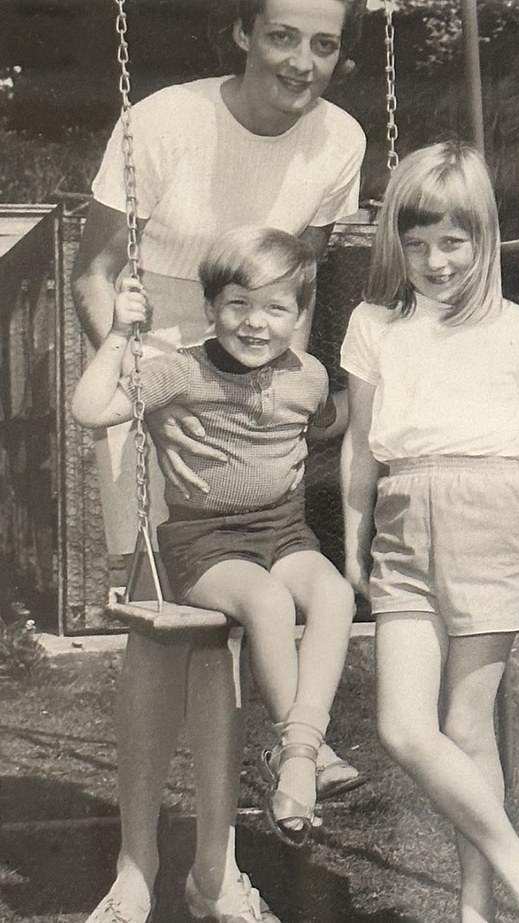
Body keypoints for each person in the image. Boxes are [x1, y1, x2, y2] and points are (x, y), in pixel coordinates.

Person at [71, 2, 367, 921]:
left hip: (250, 388)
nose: (302, 62)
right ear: (242, 34)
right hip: (155, 372)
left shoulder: (341, 142)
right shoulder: (161, 122)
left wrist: (275, 395)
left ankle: (214, 868)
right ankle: (134, 865)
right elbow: (94, 271)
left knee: (240, 626)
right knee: (167, 636)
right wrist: (149, 388)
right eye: (283, 36)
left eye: (324, 44)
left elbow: (300, 284)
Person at [340, 142, 519, 923]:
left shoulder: (516, 326)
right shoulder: (374, 324)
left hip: (487, 509)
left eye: (452, 242)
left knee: (467, 723)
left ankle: (477, 906)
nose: (435, 261)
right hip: (402, 517)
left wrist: (493, 496)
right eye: (416, 244)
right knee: (404, 725)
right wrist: (353, 542)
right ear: (395, 245)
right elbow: (359, 443)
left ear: (483, 239)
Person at [72, 226, 355, 851]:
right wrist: (119, 334)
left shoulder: (307, 376)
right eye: (238, 305)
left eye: (276, 308)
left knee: (335, 594)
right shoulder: (177, 372)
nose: (256, 324)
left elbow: (336, 416)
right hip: (206, 544)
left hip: (284, 530)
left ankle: (299, 750)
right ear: (210, 308)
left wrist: (385, 367)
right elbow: (91, 411)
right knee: (268, 603)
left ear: (300, 315)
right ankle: (302, 755)